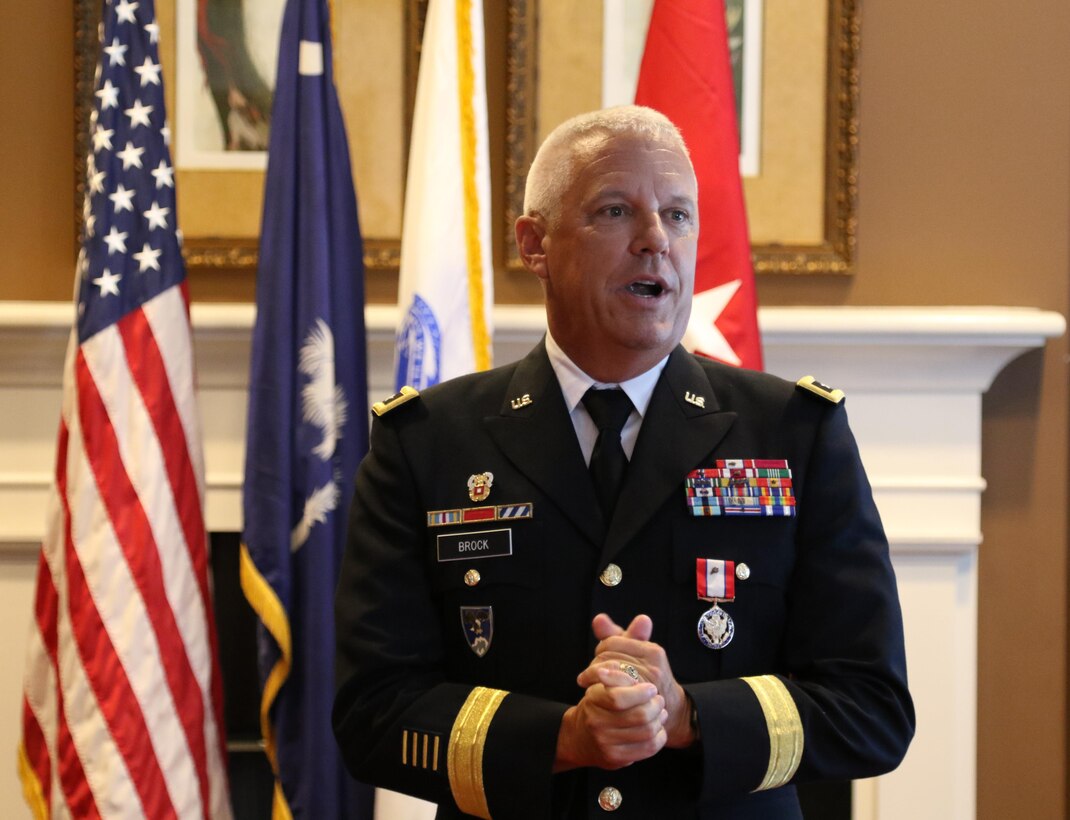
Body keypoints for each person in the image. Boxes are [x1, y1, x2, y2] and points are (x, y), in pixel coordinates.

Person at [333, 105, 914, 819]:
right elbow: (371, 714)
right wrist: (564, 737)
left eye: (678, 216)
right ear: (535, 244)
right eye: (615, 211)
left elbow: (873, 708)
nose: (654, 241)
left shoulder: (795, 434)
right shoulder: (426, 442)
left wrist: (686, 717)